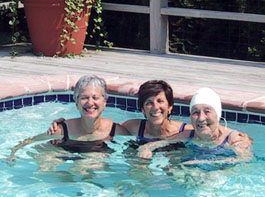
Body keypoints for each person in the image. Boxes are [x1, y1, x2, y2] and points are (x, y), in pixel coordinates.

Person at [48, 80, 251, 149]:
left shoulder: (185, 129)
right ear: (142, 109)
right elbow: (100, 126)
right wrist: (62, 125)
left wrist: (240, 137)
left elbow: (212, 129)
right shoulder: (133, 128)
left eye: (161, 101)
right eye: (149, 103)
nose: (155, 108)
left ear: (170, 107)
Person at [7, 75, 129, 163]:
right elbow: (33, 140)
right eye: (84, 98)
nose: (90, 103)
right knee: (45, 163)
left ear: (104, 102)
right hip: (63, 151)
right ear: (76, 102)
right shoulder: (63, 129)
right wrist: (13, 153)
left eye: (95, 97)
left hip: (96, 158)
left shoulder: (114, 129)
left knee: (89, 164)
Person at [137, 87, 253, 164]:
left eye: (207, 111)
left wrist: (199, 163)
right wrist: (145, 150)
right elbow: (159, 143)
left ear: (218, 114)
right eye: (196, 113)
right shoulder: (188, 135)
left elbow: (245, 160)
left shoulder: (234, 139)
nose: (201, 118)